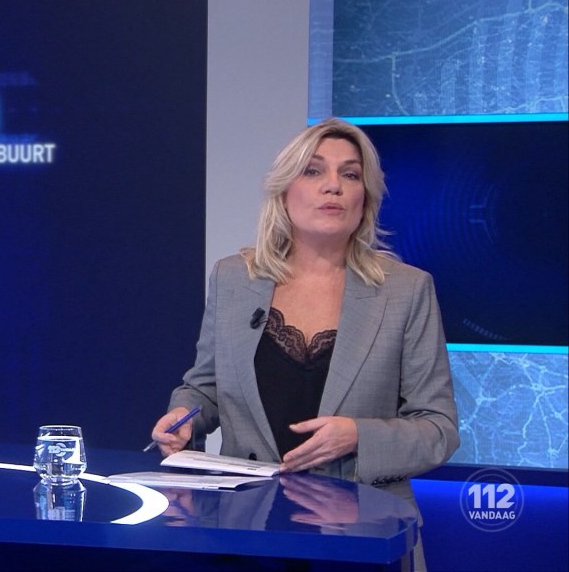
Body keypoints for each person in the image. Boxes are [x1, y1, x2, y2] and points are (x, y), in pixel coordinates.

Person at [150, 117, 459, 570]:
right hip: (248, 533)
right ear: (284, 191)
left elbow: (438, 429)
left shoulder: (406, 290)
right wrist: (183, 417)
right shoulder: (234, 279)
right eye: (313, 171)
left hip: (361, 533)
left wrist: (358, 436)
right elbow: (205, 387)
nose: (333, 185)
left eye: (350, 174)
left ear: (365, 197)